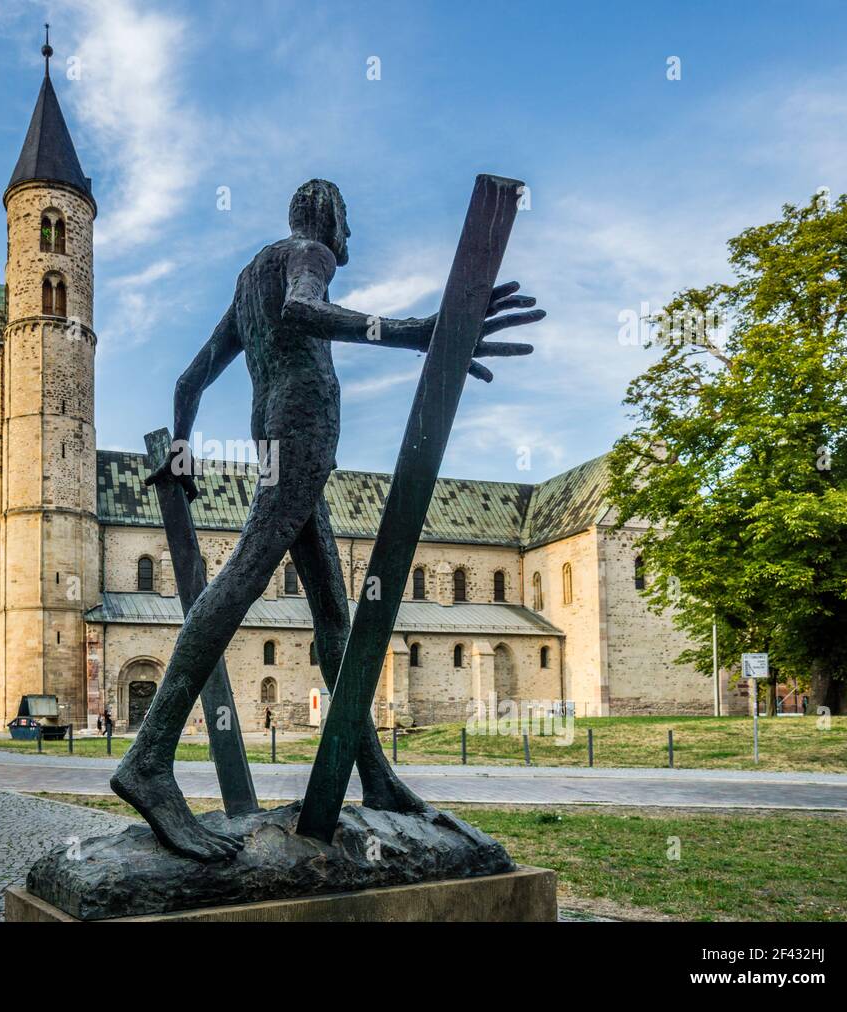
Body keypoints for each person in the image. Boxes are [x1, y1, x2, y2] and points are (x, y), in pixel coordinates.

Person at [110, 179, 542, 860]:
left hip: (272, 430)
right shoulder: (309, 252)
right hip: (302, 427)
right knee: (246, 575)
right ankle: (149, 759)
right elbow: (305, 311)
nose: (351, 239)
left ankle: (374, 774)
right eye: (350, 221)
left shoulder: (251, 274)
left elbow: (189, 379)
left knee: (334, 617)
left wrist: (182, 450)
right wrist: (416, 333)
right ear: (331, 216)